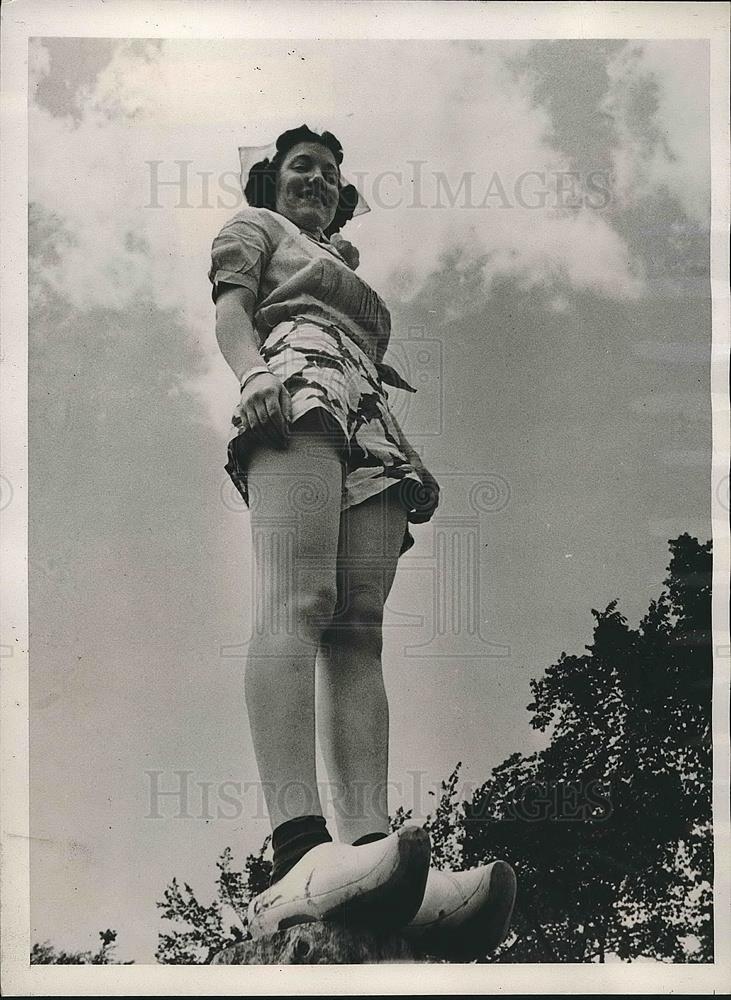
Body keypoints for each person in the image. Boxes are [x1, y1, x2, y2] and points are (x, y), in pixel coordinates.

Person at [210, 124, 516, 950]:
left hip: (368, 414)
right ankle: (296, 851)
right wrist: (255, 377)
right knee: (297, 599)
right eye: (298, 168)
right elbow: (232, 315)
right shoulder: (255, 233)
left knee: (359, 625)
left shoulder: (343, 264)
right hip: (294, 382)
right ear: (271, 184)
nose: (314, 180)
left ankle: (371, 850)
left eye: (328, 173)